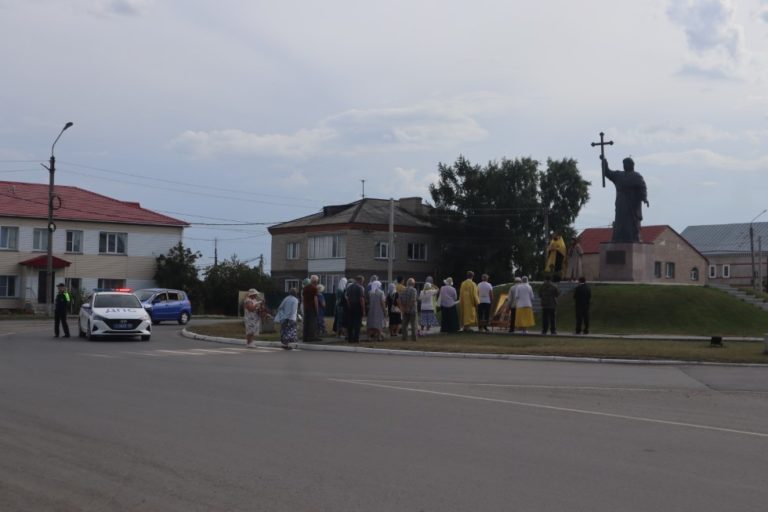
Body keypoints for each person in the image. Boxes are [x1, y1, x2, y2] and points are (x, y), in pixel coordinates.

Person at [601, 155, 649, 243]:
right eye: (623, 164)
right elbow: (607, 172)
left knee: (631, 223)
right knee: (620, 222)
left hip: (632, 204)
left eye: (626, 164)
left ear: (631, 165)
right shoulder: (618, 175)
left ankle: (633, 238)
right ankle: (618, 238)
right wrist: (604, 161)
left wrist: (644, 198)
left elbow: (642, 188)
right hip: (621, 203)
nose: (624, 165)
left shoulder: (636, 176)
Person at [345, 276, 365, 343]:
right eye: (362, 281)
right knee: (357, 323)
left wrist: (349, 305)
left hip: (350, 306)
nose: (362, 283)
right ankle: (356, 338)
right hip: (358, 306)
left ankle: (350, 338)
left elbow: (347, 298)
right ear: (360, 280)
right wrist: (363, 309)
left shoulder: (349, 287)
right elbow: (361, 299)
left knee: (350, 323)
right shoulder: (360, 288)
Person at [302, 275, 320, 342]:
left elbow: (303, 298)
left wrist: (304, 307)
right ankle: (312, 337)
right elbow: (315, 299)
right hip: (312, 308)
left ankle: (305, 337)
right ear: (315, 281)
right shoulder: (314, 288)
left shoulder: (305, 288)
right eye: (317, 281)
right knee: (312, 323)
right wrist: (317, 309)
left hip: (306, 307)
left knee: (306, 323)